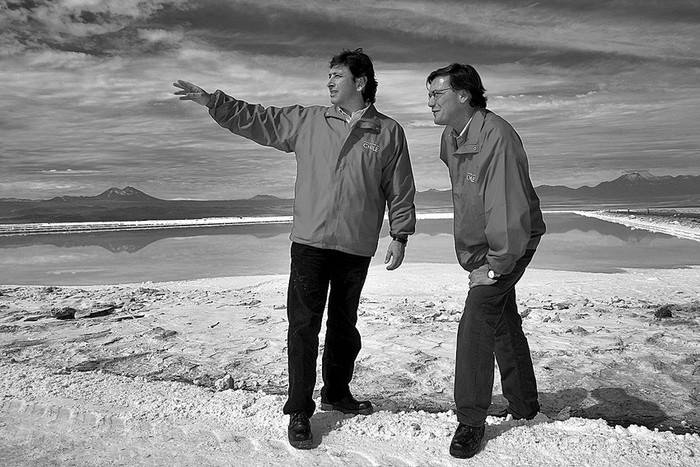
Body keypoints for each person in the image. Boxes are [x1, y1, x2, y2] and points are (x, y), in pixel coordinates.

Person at [174, 48, 416, 450]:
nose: (329, 83)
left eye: (337, 76)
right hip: (310, 243)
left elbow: (400, 186)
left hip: (356, 245)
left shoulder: (387, 131)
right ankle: (300, 409)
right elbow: (259, 119)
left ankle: (337, 393)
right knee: (303, 327)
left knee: (344, 326)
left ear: (360, 82)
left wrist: (400, 233)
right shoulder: (309, 120)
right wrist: (215, 102)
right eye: (329, 76)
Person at [426, 63, 546, 459]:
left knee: (478, 316)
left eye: (437, 94)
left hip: (512, 241)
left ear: (464, 95)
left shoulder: (498, 137)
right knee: (502, 321)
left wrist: (495, 264)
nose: (430, 102)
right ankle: (525, 405)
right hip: (484, 246)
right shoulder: (451, 137)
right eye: (429, 95)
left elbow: (507, 207)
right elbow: (469, 193)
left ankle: (471, 420)